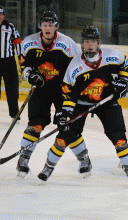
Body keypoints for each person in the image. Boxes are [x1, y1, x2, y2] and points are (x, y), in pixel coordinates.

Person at [37, 26, 128, 184]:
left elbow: (125, 63)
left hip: (106, 101)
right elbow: (68, 92)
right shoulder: (74, 66)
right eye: (86, 41)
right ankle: (49, 166)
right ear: (82, 44)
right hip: (81, 103)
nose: (90, 45)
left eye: (93, 41)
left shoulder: (112, 56)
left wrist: (123, 82)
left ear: (99, 43)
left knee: (118, 137)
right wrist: (65, 113)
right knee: (63, 137)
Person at [16, 11, 81, 178]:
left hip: (62, 92)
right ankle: (23, 160)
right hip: (40, 90)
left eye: (50, 25)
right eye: (44, 25)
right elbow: (23, 65)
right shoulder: (29, 42)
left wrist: (75, 89)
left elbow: (78, 68)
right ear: (40, 26)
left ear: (56, 26)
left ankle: (84, 159)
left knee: (67, 126)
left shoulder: (68, 44)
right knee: (35, 125)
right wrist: (30, 75)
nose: (47, 28)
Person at [0, 6, 22, 121]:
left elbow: (17, 41)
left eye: (1, 15)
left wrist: (20, 56)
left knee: (12, 89)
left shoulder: (10, 27)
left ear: (4, 16)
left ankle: (14, 114)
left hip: (8, 61)